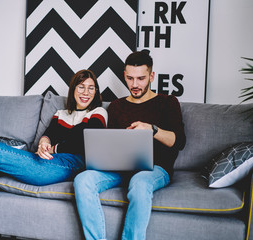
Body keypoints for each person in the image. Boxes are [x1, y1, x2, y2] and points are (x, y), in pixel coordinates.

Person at [74, 50, 186, 240]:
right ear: (124, 76)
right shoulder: (117, 106)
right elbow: (110, 143)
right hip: (119, 169)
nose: (134, 85)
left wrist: (152, 129)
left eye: (141, 78)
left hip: (155, 168)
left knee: (140, 183)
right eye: (130, 78)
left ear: (151, 76)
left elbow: (179, 141)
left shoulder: (167, 102)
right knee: (82, 180)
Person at [0, 69, 107, 186]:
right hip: (44, 159)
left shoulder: (98, 112)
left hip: (68, 164)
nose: (86, 92)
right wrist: (43, 143)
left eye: (91, 88)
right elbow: (48, 135)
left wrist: (53, 148)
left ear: (96, 92)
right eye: (81, 87)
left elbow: (84, 140)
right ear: (73, 89)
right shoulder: (60, 113)